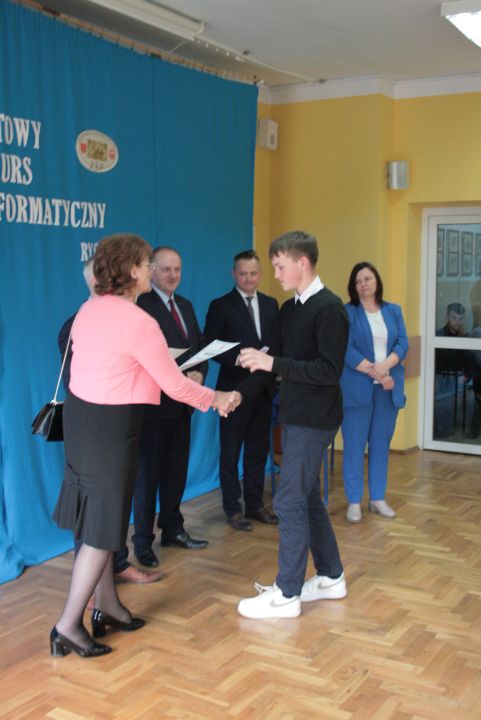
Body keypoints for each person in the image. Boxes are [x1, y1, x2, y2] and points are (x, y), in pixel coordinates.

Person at [50, 233, 238, 658]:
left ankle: (108, 606)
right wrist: (217, 398)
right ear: (131, 270)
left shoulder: (89, 308)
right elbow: (174, 384)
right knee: (102, 526)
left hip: (83, 420)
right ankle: (67, 626)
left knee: (102, 520)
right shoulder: (139, 321)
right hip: (111, 425)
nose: (152, 270)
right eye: (147, 263)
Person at [237, 231, 347, 619]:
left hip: (315, 419)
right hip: (296, 415)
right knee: (307, 496)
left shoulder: (330, 309)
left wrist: (273, 363)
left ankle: (287, 595)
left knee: (288, 500)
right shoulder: (291, 308)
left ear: (303, 263)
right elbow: (275, 361)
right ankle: (331, 576)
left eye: (280, 266)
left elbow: (328, 370)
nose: (276, 274)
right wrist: (240, 394)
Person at [58, 258, 162, 584]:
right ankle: (88, 586)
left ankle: (115, 569)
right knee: (92, 513)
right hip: (96, 430)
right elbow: (78, 381)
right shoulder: (80, 321)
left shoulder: (125, 318)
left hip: (122, 426)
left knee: (113, 507)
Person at [130, 246, 210, 569]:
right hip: (152, 408)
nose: (173, 275)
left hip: (182, 405)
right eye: (166, 269)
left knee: (176, 472)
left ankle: (173, 529)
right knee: (147, 478)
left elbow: (199, 347)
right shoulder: (141, 305)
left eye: (177, 269)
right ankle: (142, 542)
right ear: (151, 270)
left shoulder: (186, 305)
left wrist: (200, 372)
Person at [204, 250, 280, 531]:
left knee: (258, 451)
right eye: (243, 274)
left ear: (261, 274)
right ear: (234, 274)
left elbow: (276, 343)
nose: (249, 279)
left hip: (263, 390)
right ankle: (233, 509)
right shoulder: (220, 305)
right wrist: (238, 358)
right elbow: (210, 345)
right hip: (232, 391)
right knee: (230, 452)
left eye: (253, 273)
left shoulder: (271, 304)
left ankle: (255, 504)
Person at [340, 262, 408, 524]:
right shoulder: (348, 312)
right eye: (358, 281)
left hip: (388, 390)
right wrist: (377, 372)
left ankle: (378, 498)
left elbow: (402, 343)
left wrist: (386, 367)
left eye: (367, 278)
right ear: (353, 287)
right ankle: (354, 501)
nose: (363, 284)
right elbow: (345, 349)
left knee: (380, 445)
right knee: (354, 446)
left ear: (376, 280)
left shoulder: (393, 311)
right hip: (358, 388)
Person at [434, 303, 468, 438]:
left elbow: (468, 361)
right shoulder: (437, 336)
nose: (457, 322)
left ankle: (465, 434)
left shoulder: (465, 338)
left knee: (470, 401)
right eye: (454, 318)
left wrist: (466, 375)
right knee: (445, 404)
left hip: (459, 380)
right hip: (441, 379)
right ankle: (443, 433)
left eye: (460, 318)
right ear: (447, 317)